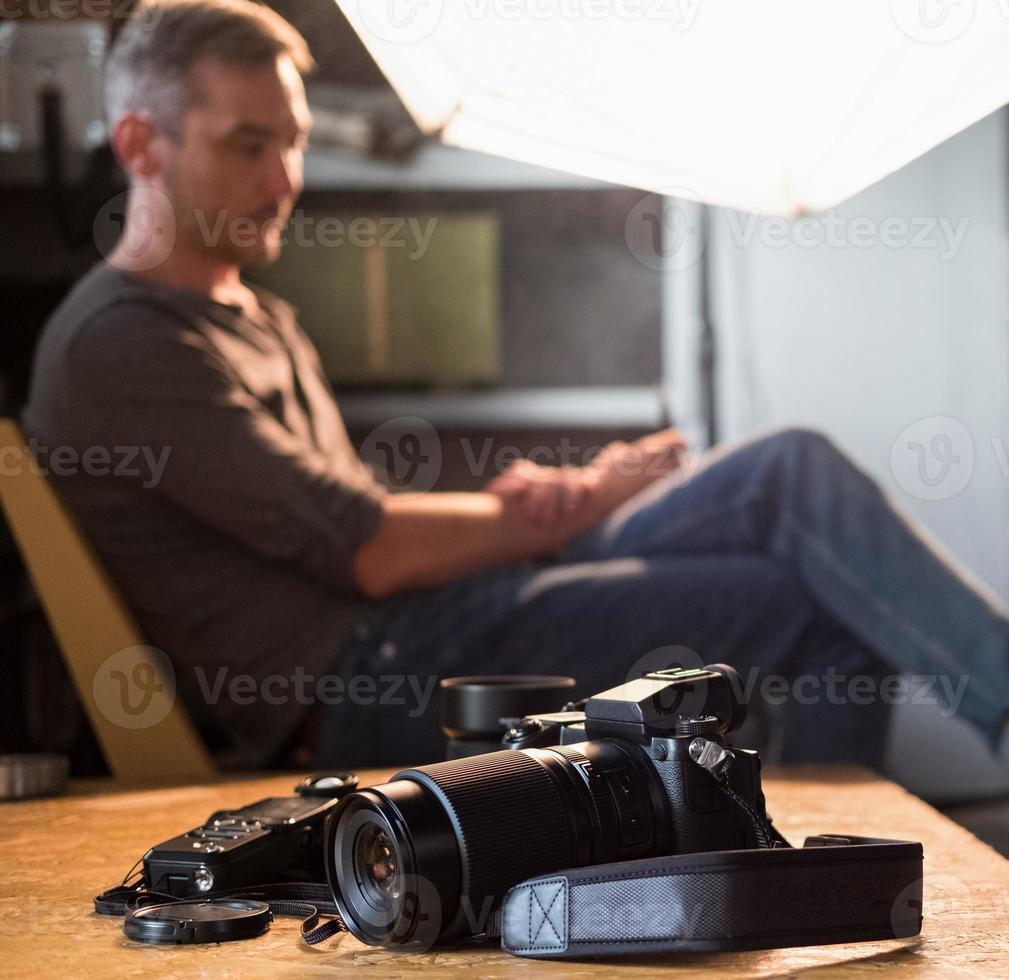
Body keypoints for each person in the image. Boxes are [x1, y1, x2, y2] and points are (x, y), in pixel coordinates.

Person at [23, 0, 1009, 770]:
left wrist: (553, 490)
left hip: (428, 621)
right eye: (250, 143)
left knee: (787, 476)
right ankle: (821, 876)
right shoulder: (124, 343)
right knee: (820, 597)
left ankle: (834, 852)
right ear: (141, 146)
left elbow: (359, 526)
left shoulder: (257, 315)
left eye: (291, 141)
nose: (286, 176)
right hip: (366, 683)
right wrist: (576, 500)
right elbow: (366, 551)